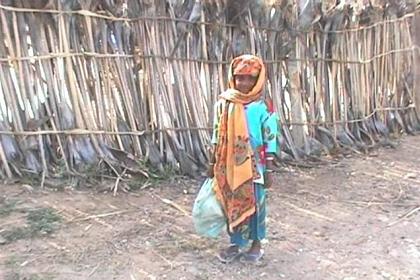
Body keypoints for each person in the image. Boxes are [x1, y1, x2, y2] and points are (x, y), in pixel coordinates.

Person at [208, 54, 278, 263]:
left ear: (258, 80)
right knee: (232, 203)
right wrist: (212, 162)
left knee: (256, 205)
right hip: (229, 164)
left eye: (250, 78)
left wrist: (269, 170)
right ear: (233, 77)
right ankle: (236, 242)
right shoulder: (224, 103)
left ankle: (256, 244)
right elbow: (216, 133)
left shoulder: (263, 106)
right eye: (240, 78)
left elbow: (270, 136)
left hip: (255, 167)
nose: (244, 83)